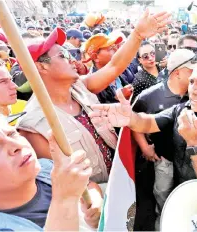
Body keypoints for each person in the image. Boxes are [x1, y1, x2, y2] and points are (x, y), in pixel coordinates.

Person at [17, 10, 171, 185]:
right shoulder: (33, 126)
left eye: (69, 54)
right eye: (63, 55)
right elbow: (62, 181)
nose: (73, 60)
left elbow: (114, 67)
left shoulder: (80, 87)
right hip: (98, 201)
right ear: (41, 67)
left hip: (120, 178)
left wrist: (137, 35)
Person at [89, 56, 197, 197]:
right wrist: (131, 118)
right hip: (178, 191)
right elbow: (149, 123)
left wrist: (194, 145)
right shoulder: (184, 108)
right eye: (192, 82)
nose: (194, 90)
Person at [0, 101, 102, 231]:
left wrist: (95, 200)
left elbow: (88, 185)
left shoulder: (46, 168)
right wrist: (64, 200)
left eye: (11, 134)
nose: (16, 145)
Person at [132, 49, 196, 230]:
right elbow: (134, 122)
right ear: (177, 72)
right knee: (163, 198)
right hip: (164, 160)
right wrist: (145, 147)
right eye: (191, 71)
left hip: (192, 162)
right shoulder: (149, 96)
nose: (196, 75)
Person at [84, 33, 132, 103]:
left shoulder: (120, 72)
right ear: (96, 57)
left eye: (115, 47)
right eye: (110, 49)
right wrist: (118, 98)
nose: (116, 50)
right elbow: (99, 109)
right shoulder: (91, 85)